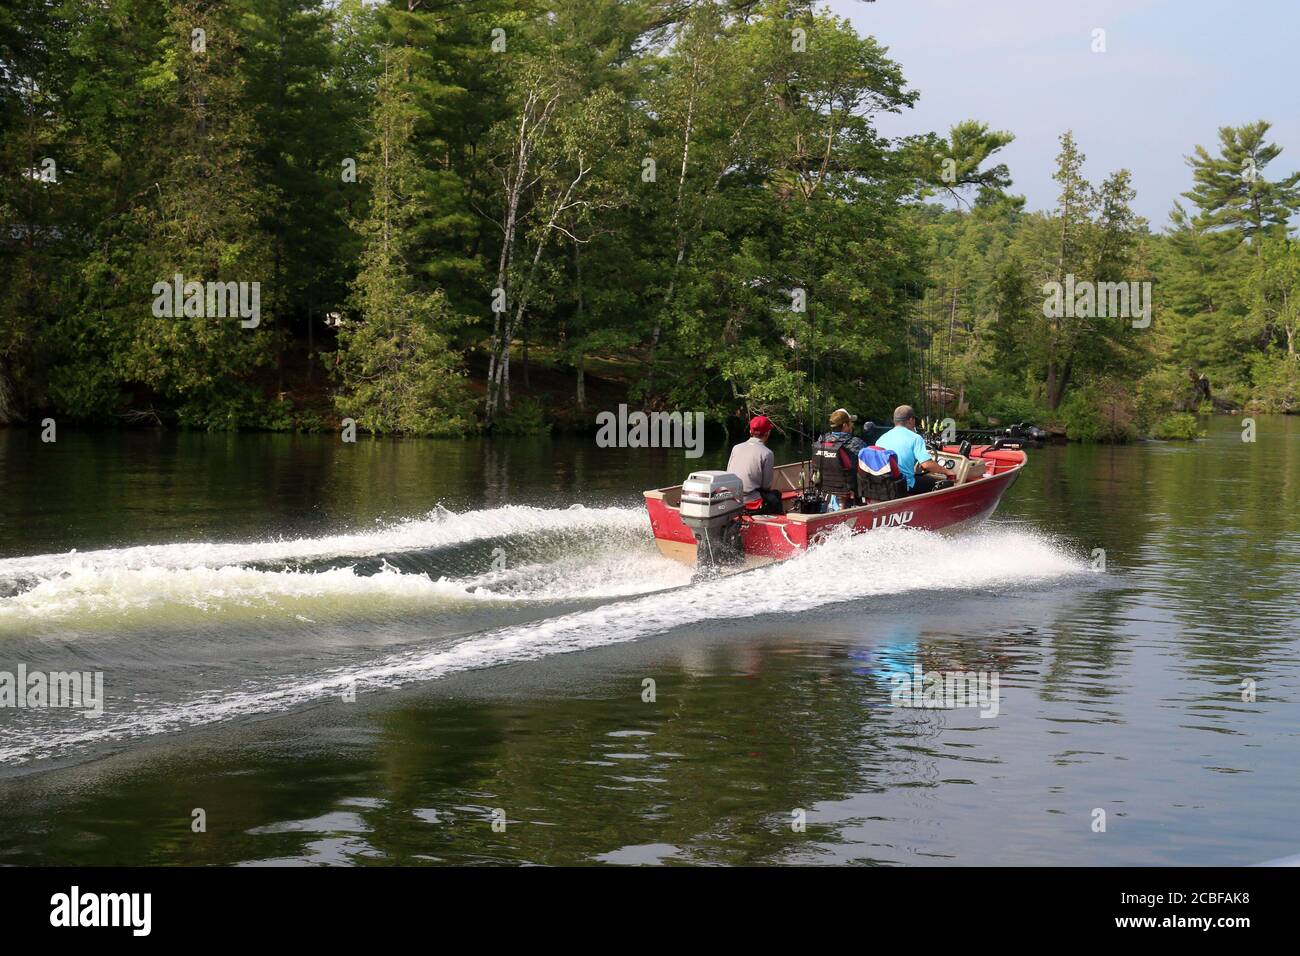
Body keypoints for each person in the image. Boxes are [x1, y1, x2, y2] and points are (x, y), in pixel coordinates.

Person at [874, 405, 957, 495]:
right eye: (914, 420)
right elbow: (927, 464)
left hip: (885, 483)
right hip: (905, 484)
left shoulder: (881, 439)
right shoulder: (915, 438)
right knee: (940, 485)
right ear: (910, 420)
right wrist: (947, 471)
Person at [726, 415, 782, 514]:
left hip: (731, 499)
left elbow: (728, 473)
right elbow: (766, 486)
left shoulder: (736, 448)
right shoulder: (767, 453)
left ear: (750, 432)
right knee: (776, 496)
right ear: (767, 433)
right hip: (750, 503)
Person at [814, 408, 865, 510]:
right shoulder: (856, 443)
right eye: (850, 423)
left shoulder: (821, 441)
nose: (852, 425)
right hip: (848, 492)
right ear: (845, 425)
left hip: (825, 489)